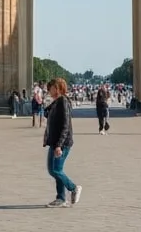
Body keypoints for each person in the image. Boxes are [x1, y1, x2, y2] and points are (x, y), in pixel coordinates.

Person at [43, 78, 82, 207]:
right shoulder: (56, 102)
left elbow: (65, 125)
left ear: (59, 88)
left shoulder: (63, 102)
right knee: (54, 169)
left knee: (55, 169)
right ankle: (61, 198)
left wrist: (59, 144)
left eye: (51, 87)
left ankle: (73, 188)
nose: (49, 90)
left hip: (62, 143)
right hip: (54, 141)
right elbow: (47, 115)